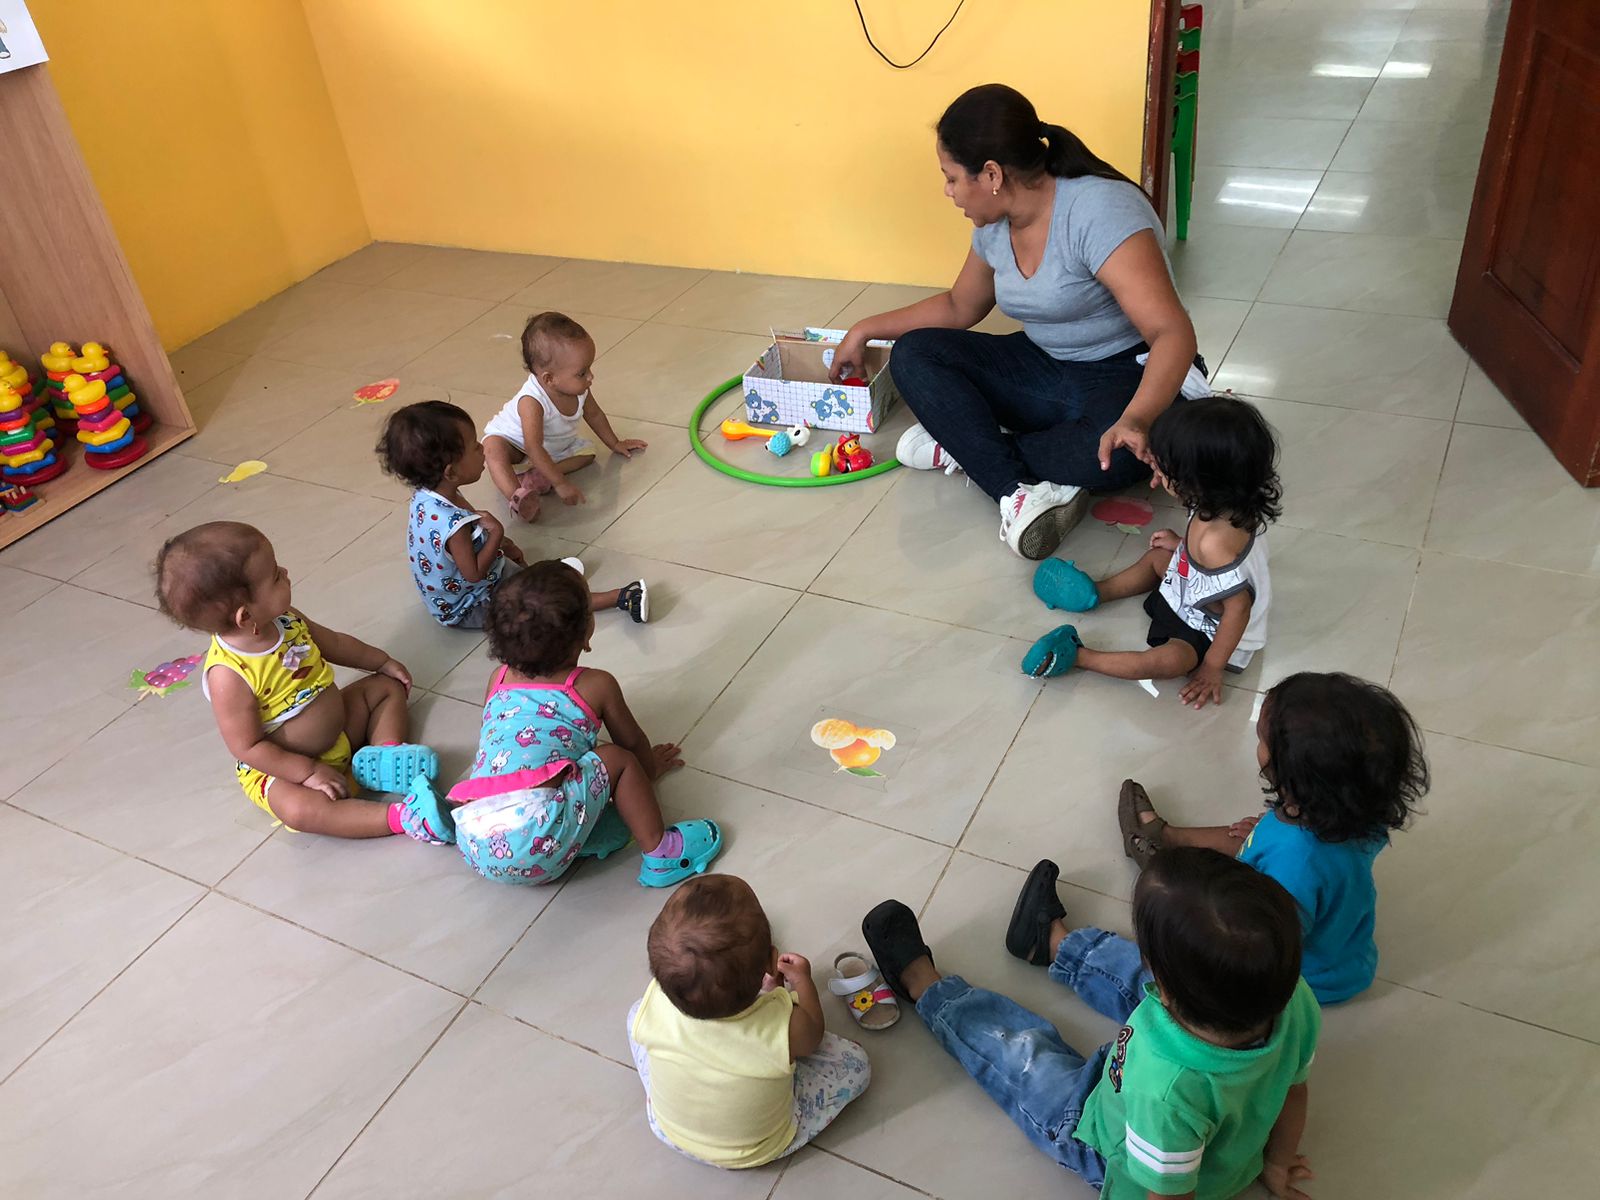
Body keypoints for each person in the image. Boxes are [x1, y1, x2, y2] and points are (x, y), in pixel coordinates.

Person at [829, 83, 1206, 561]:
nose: (947, 191)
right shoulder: (993, 225)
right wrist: (864, 329)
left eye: (951, 178)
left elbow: (1172, 332)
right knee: (916, 353)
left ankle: (971, 448)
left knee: (1121, 453)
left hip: (1126, 373)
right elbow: (959, 306)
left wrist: (1136, 418)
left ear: (991, 174)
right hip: (1045, 365)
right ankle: (1015, 489)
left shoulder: (1098, 211)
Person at [864, 848, 1320, 1200]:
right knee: (1193, 967)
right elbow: (1294, 1089)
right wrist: (1277, 1163)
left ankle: (926, 988)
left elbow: (1166, 1194)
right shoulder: (1294, 997)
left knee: (1024, 1058)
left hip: (1103, 1138)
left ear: (1163, 989)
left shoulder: (1166, 1095)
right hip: (1178, 1092)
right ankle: (1052, 943)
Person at [403, 560, 722, 885]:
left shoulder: (497, 679)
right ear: (586, 634)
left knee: (558, 777)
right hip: (539, 839)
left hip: (476, 842)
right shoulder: (596, 685)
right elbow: (632, 743)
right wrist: (648, 771)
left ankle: (573, 837)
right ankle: (661, 854)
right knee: (618, 758)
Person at [1119, 671, 1430, 1004]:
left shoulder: (1295, 863)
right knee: (1251, 836)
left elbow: (1263, 944)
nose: (1258, 746)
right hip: (1346, 955)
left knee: (1187, 930)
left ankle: (1158, 853)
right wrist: (1270, 833)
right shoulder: (1356, 811)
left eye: (1261, 740)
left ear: (1294, 773)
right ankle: (1166, 838)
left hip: (1305, 978)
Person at [154, 521, 446, 841]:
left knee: (384, 689)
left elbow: (334, 643)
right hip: (286, 769)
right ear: (245, 616)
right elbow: (248, 747)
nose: (285, 572)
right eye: (275, 576)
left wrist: (381, 661)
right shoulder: (228, 675)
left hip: (340, 731)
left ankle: (382, 758)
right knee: (298, 810)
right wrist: (306, 772)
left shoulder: (285, 618)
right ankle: (404, 818)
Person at [1024, 396, 1279, 709]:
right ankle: (1095, 592)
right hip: (1196, 589)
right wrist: (1183, 545)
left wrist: (1213, 666)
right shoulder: (1224, 500)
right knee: (1158, 558)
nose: (1156, 468)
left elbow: (1237, 610)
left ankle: (1079, 656)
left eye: (1164, 466)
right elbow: (1218, 563)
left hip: (1210, 629)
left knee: (1169, 661)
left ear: (1195, 480)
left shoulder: (1216, 544)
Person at [628, 875, 871, 1168]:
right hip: (756, 1148)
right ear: (771, 961)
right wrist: (802, 982)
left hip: (668, 1130)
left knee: (636, 1015)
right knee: (856, 1065)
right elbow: (813, 1036)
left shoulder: (658, 998)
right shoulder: (782, 1023)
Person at [376, 399, 647, 627]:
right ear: (451, 472)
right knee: (544, 603)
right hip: (471, 606)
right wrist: (497, 534)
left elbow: (472, 529)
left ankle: (540, 578)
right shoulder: (453, 526)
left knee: (524, 576)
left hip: (465, 588)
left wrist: (502, 546)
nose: (482, 448)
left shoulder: (429, 494)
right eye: (474, 446)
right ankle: (621, 597)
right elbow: (473, 574)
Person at [483, 311, 647, 521]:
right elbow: (533, 447)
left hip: (551, 450)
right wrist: (560, 483)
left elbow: (595, 414)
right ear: (549, 379)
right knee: (493, 449)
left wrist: (615, 443)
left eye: (589, 368)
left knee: (588, 453)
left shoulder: (580, 389)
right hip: (516, 445)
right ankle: (517, 495)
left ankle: (539, 476)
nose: (590, 377)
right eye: (582, 373)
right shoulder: (531, 401)